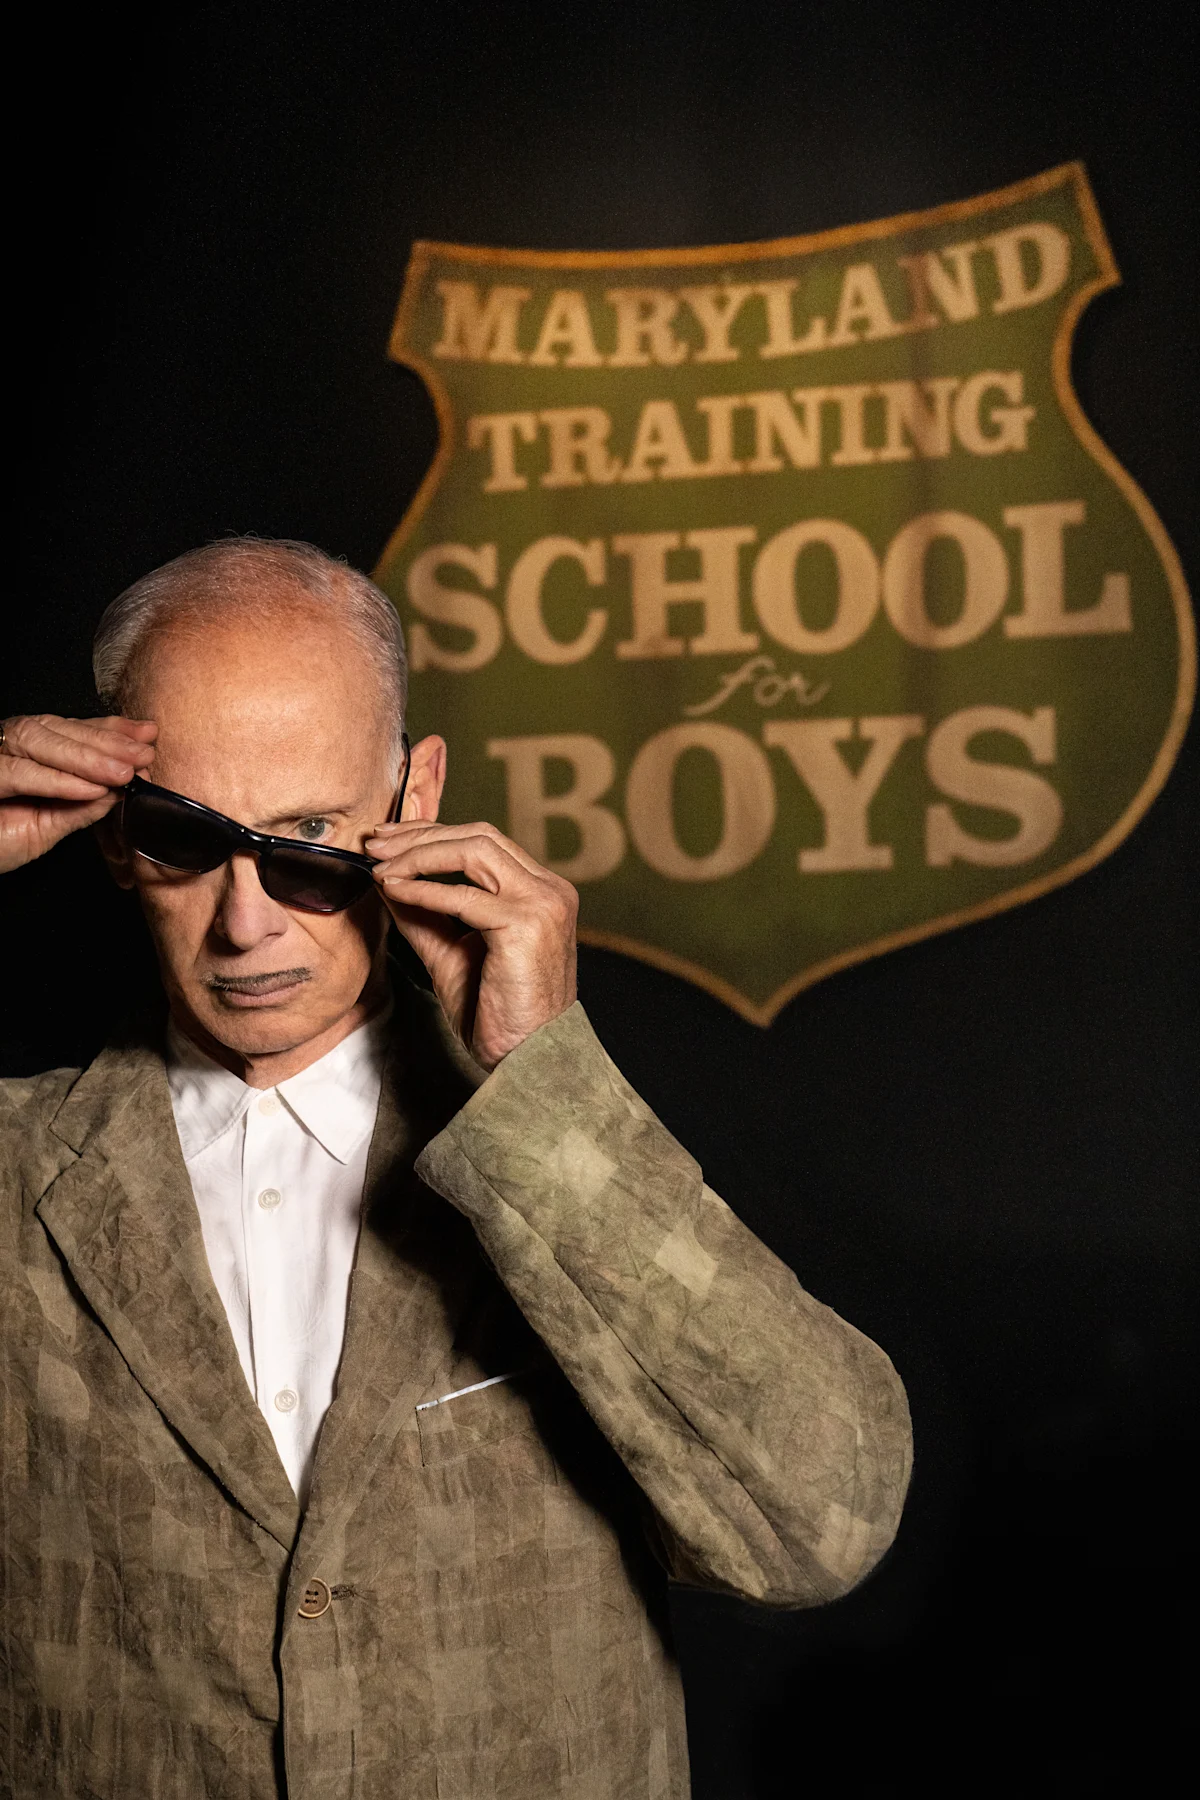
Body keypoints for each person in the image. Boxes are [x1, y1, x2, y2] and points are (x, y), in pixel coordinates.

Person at [0, 537, 911, 1800]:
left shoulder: (546, 1147)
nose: (247, 921)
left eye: (307, 835)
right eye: (183, 840)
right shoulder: (21, 1177)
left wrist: (543, 1085)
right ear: (114, 835)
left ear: (413, 796)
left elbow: (821, 1524)